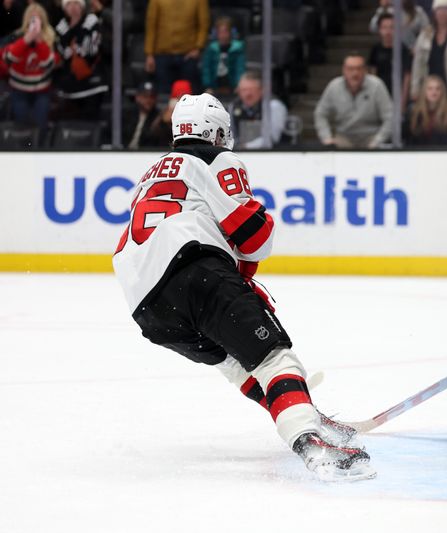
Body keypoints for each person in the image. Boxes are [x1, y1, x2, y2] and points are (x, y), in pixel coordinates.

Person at [112, 92, 375, 482]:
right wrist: (238, 273)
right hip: (192, 269)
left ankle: (297, 409)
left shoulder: (152, 171)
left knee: (238, 365)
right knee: (273, 357)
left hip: (145, 305)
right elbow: (253, 236)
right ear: (214, 131)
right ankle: (310, 441)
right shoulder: (214, 159)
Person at [314, 52, 393, 149]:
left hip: (371, 137)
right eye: (350, 69)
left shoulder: (377, 86)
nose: (355, 73)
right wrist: (326, 138)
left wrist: (378, 140)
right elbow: (320, 113)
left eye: (359, 68)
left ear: (365, 70)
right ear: (344, 70)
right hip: (344, 137)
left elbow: (390, 117)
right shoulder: (334, 87)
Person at [1, 2, 58, 135]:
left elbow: (49, 65)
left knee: (41, 125)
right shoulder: (17, 36)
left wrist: (39, 42)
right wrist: (26, 40)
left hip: (42, 90)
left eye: (37, 19)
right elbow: (9, 58)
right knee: (22, 126)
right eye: (32, 19)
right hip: (19, 90)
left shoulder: (50, 38)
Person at [52, 0, 108, 121]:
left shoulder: (92, 20)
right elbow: (62, 51)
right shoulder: (61, 26)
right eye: (69, 4)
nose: (73, 7)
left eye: (76, 3)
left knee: (89, 122)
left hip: (92, 83)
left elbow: (91, 50)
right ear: (64, 8)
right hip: (70, 85)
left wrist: (75, 47)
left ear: (82, 6)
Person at [144, 0, 209, 94]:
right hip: (162, 55)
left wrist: (198, 48)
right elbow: (151, 26)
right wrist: (149, 54)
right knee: (163, 94)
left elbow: (204, 24)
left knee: (191, 94)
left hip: (188, 55)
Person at [228, 70, 288, 148]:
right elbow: (229, 136)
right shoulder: (233, 107)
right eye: (243, 90)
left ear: (262, 90)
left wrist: (245, 147)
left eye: (252, 90)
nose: (247, 94)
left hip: (276, 156)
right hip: (241, 155)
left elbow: (271, 138)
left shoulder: (273, 106)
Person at [367, 13, 412, 107]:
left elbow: (407, 77)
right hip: (380, 95)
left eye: (392, 27)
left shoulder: (403, 50)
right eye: (384, 27)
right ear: (379, 30)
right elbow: (372, 75)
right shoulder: (375, 50)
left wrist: (402, 103)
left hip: (398, 95)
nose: (388, 31)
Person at [201, 16, 245, 96]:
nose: (223, 35)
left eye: (225, 32)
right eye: (220, 32)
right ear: (216, 34)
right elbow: (206, 69)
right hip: (214, 86)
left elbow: (239, 68)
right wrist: (208, 86)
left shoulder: (238, 49)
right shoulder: (211, 49)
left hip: (232, 85)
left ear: (231, 32)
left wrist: (238, 84)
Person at [406, 74, 447, 145]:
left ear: (442, 92)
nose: (434, 92)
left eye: (437, 89)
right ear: (424, 91)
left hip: (442, 154)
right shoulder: (414, 113)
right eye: (430, 88)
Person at [123, 80, 161, 149]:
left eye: (152, 96)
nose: (148, 100)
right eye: (145, 96)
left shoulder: (158, 117)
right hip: (121, 154)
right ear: (137, 97)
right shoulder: (126, 114)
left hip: (144, 156)